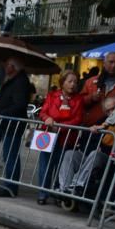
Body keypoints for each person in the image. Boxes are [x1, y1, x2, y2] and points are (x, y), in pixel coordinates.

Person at [0, 56, 30, 196]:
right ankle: (9, 185)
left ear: (12, 67)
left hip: (12, 124)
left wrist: (2, 113)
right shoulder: (13, 80)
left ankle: (10, 187)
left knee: (10, 155)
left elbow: (19, 104)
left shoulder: (20, 81)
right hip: (7, 123)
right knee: (8, 154)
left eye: (7, 65)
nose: (5, 67)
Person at [35, 71, 84, 204]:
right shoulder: (52, 96)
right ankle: (42, 193)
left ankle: (58, 192)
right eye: (70, 81)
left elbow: (77, 119)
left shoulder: (79, 99)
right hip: (48, 135)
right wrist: (47, 118)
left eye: (75, 82)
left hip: (67, 138)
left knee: (61, 166)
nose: (73, 84)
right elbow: (43, 112)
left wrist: (60, 127)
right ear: (62, 82)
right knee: (45, 165)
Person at [80, 52, 115, 126]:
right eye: (111, 62)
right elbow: (80, 101)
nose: (114, 65)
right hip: (91, 125)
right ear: (104, 63)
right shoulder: (91, 81)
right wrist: (91, 98)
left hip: (114, 126)